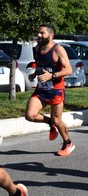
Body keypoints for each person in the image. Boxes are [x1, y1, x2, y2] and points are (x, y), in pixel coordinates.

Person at [25, 24, 74, 156]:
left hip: (56, 90)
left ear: (51, 35)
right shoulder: (37, 48)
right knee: (30, 115)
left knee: (58, 119)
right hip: (41, 89)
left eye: (42, 33)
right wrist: (34, 74)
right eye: (38, 33)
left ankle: (68, 143)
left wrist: (51, 76)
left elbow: (69, 70)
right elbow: (41, 65)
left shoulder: (58, 50)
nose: (39, 36)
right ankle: (50, 123)